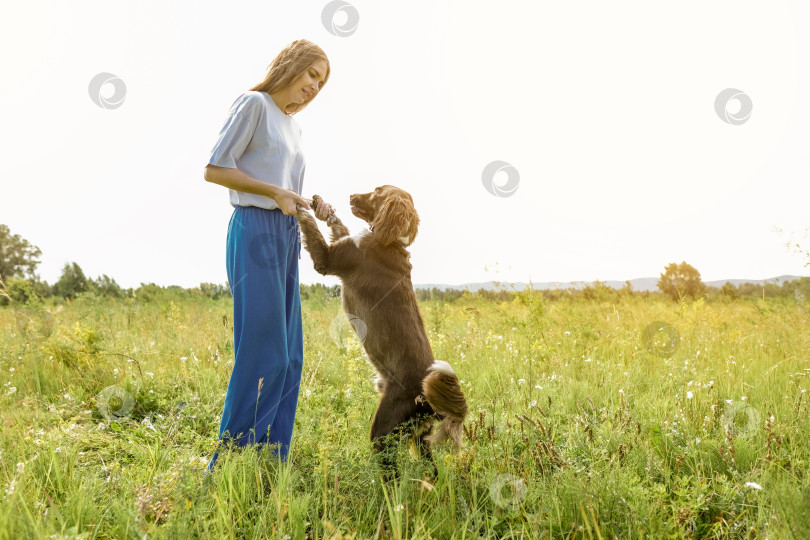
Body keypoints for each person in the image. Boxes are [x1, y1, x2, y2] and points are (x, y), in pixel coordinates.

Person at [203, 39, 333, 473]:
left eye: (322, 82)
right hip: (254, 230)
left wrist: (310, 204)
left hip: (285, 235)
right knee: (265, 355)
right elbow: (215, 168)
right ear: (291, 66)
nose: (315, 86)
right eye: (312, 74)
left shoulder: (293, 127)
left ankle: (269, 464)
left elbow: (285, 190)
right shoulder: (255, 104)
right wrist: (274, 191)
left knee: (291, 358)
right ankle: (228, 468)